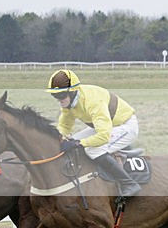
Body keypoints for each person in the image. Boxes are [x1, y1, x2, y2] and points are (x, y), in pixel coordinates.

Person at [46, 69, 141, 200]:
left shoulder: (92, 102)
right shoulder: (69, 103)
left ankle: (129, 184)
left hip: (125, 126)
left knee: (92, 150)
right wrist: (58, 138)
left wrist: (78, 144)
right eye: (55, 95)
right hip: (106, 126)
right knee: (71, 140)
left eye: (61, 95)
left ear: (72, 91)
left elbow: (103, 136)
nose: (59, 99)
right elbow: (65, 126)